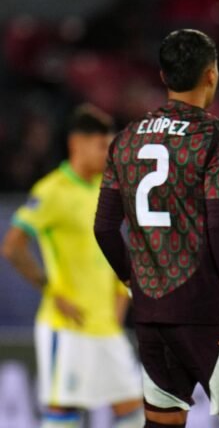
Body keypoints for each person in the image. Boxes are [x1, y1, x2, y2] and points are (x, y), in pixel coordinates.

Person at [93, 29, 219, 428]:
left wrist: (134, 280)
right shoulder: (217, 136)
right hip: (203, 307)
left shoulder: (125, 139)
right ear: (211, 74)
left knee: (163, 421)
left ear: (163, 76)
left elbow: (104, 229)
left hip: (151, 312)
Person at [1, 104, 144, 428]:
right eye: (102, 146)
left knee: (135, 414)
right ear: (77, 144)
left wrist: (121, 297)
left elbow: (116, 248)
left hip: (107, 326)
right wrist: (51, 290)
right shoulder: (52, 191)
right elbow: (12, 246)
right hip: (68, 327)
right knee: (64, 415)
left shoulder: (109, 189)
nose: (109, 155)